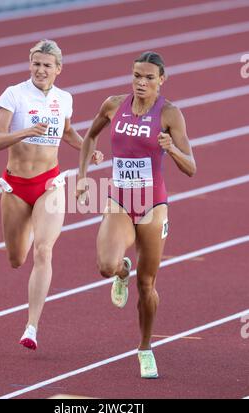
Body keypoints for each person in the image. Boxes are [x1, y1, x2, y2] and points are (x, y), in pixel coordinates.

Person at [76, 52, 196, 378]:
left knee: (147, 286)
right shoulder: (114, 105)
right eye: (136, 76)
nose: (141, 83)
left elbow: (191, 167)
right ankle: (120, 271)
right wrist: (83, 175)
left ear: (161, 80)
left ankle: (145, 348)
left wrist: (170, 148)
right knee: (105, 266)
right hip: (118, 200)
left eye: (148, 78)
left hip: (153, 206)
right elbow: (89, 137)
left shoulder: (169, 113)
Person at [0, 40, 103, 350]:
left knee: (44, 251)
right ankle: (24, 230)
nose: (41, 69)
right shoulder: (14, 95)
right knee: (17, 258)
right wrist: (25, 131)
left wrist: (88, 150)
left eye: (47, 65)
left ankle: (31, 327)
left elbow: (67, 132)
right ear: (30, 65)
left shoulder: (64, 98)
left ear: (58, 69)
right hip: (15, 187)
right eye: (36, 63)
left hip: (49, 184)